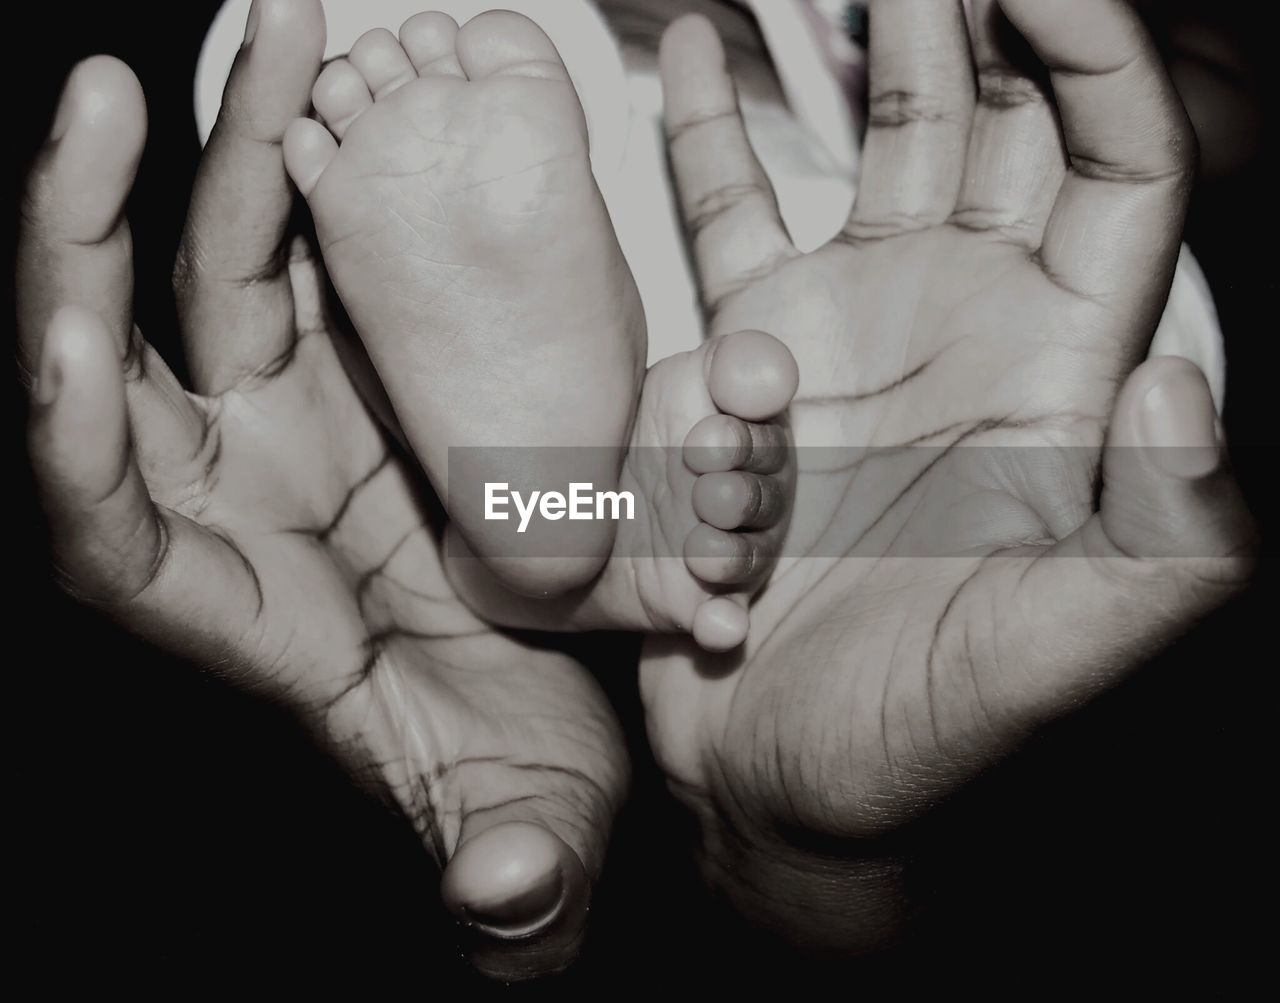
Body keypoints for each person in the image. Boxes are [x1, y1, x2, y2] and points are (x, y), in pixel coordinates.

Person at [18, 0, 1257, 978]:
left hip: (822, 266)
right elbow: (1206, 98)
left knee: (383, 61)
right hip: (817, 288)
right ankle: (547, 518)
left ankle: (531, 527)